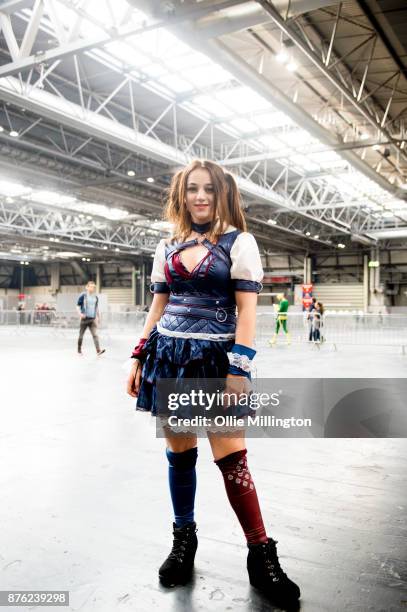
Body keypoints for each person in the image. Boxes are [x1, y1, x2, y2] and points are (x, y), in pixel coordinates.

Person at [126, 160, 300, 608]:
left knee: (231, 454)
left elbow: (246, 312)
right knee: (179, 451)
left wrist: (238, 370)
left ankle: (261, 554)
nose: (200, 197)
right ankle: (184, 540)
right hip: (169, 356)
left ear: (222, 194)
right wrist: (138, 355)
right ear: (181, 195)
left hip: (214, 359)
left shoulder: (239, 242)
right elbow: (158, 305)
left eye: (208, 189)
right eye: (192, 189)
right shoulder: (166, 245)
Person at [76, 281, 105, 356]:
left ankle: (98, 351)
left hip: (92, 319)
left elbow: (96, 308)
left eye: (94, 287)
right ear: (87, 287)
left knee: (95, 335)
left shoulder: (95, 297)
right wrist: (80, 314)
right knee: (81, 336)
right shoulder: (83, 295)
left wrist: (98, 317)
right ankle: (79, 350)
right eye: (91, 286)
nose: (93, 288)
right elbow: (77, 306)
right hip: (84, 319)